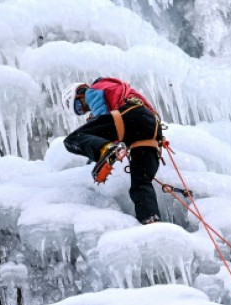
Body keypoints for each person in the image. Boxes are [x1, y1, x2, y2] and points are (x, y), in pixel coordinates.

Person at [61, 77, 164, 225]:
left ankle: (104, 149)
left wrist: (97, 149)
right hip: (151, 129)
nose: (84, 110)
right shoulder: (115, 89)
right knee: (141, 183)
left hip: (130, 116)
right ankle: (150, 220)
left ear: (80, 94)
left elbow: (102, 114)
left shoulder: (92, 90)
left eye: (78, 106)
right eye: (79, 111)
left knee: (72, 140)